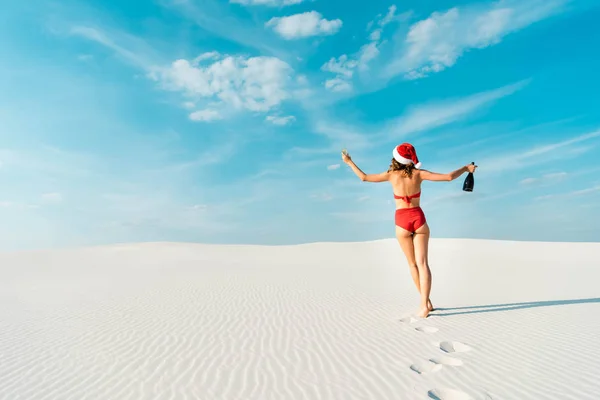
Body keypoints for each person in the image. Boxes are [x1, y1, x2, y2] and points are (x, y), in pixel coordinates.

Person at [341, 143, 477, 318]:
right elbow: (449, 177)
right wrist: (466, 168)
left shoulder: (391, 175)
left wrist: (349, 161)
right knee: (423, 264)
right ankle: (425, 304)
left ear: (396, 159)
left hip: (402, 221)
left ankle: (425, 303)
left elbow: (364, 177)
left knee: (412, 264)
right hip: (418, 219)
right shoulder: (419, 174)